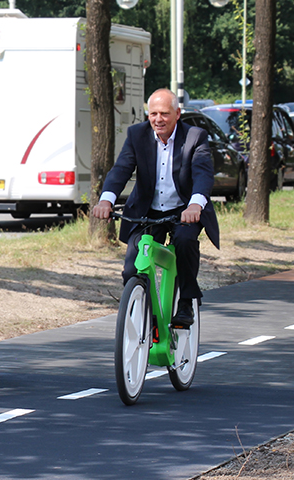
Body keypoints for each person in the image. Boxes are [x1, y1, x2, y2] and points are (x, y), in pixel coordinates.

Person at [91, 88, 220, 327]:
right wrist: (106, 200)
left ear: (177, 114)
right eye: (153, 114)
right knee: (132, 268)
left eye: (164, 114)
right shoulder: (137, 135)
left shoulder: (195, 136)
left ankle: (186, 301)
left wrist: (195, 205)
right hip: (147, 212)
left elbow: (203, 175)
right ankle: (145, 312)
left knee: (184, 242)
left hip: (183, 210)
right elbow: (121, 169)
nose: (158, 119)